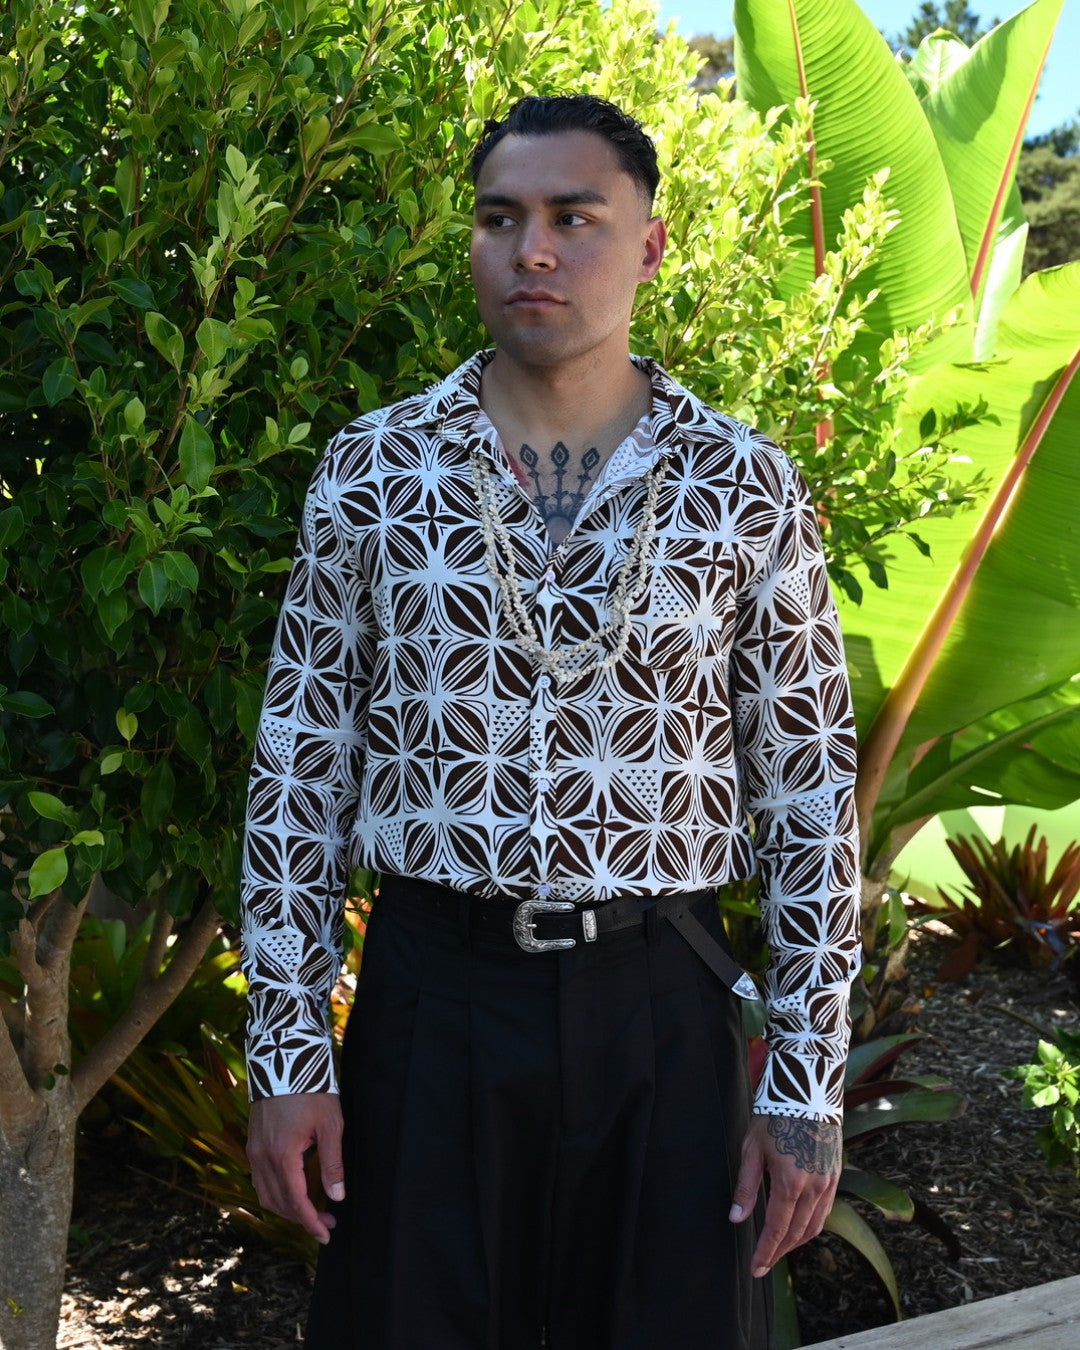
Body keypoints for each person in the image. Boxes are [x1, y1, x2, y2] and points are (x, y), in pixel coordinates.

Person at [241, 93, 861, 1350]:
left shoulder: (743, 486)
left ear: (649, 245)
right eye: (501, 217)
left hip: (662, 1011)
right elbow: (298, 775)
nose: (533, 249)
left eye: (575, 217)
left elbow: (809, 795)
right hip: (433, 1004)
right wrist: (290, 1057)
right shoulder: (374, 471)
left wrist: (803, 1085)